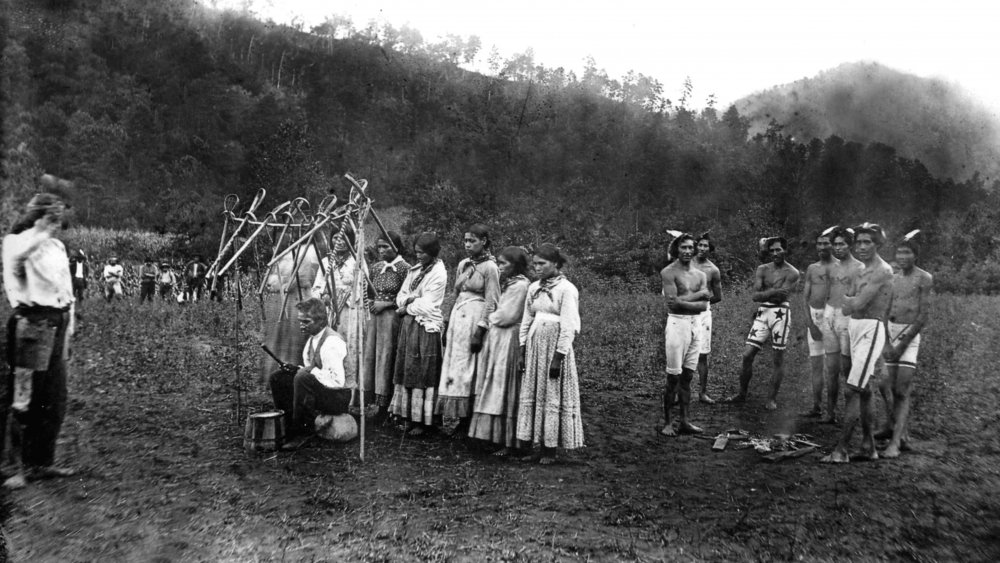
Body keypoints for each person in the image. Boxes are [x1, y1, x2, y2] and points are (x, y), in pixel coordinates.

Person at [1, 193, 77, 489]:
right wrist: (40, 230)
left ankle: (42, 462)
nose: (56, 223)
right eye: (51, 216)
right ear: (38, 215)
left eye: (58, 218)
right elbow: (18, 264)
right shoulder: (16, 241)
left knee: (55, 397)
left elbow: (65, 287)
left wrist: (68, 330)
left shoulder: (56, 245)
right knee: (24, 399)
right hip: (31, 323)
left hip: (57, 321)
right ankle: (15, 467)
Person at [821, 223, 894, 464]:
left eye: (867, 242)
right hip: (854, 326)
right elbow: (846, 303)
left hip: (871, 329)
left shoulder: (883, 270)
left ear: (878, 244)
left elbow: (857, 303)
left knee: (852, 389)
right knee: (864, 391)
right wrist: (852, 301)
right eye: (859, 242)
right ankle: (868, 446)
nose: (861, 247)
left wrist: (852, 300)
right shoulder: (862, 270)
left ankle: (841, 450)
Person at [516, 243, 583, 464]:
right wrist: (522, 349)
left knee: (552, 394)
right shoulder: (534, 287)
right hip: (535, 346)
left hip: (554, 348)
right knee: (532, 391)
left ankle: (549, 449)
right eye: (534, 264)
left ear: (555, 264)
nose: (537, 268)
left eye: (542, 264)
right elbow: (527, 319)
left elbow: (569, 326)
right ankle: (529, 445)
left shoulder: (566, 289)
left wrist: (558, 357)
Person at [437, 225, 501, 436]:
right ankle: (458, 416)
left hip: (475, 320)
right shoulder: (464, 264)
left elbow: (492, 301)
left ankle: (469, 421)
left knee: (470, 368)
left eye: (472, 241)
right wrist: (446, 323)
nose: (467, 245)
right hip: (458, 320)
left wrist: (480, 330)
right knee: (455, 367)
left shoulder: (490, 268)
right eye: (465, 241)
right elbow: (454, 293)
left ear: (484, 241)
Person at [268, 298, 353, 450]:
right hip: (323, 390)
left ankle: (303, 433)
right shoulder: (313, 339)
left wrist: (306, 371)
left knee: (302, 376)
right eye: (300, 321)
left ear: (321, 321)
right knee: (278, 377)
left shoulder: (332, 342)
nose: (301, 325)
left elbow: (337, 382)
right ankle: (286, 425)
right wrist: (296, 369)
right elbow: (311, 370)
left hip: (338, 397)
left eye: (306, 322)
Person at [469, 246, 530, 455]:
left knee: (504, 385)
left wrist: (490, 318)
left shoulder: (521, 286)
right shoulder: (510, 283)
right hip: (497, 337)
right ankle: (492, 437)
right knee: (493, 383)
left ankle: (509, 440)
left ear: (516, 265)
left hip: (508, 337)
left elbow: (507, 315)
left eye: (504, 264)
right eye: (500, 263)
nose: (500, 267)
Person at [726, 236, 800, 410]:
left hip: (781, 313)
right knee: (747, 355)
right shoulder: (762, 269)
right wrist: (773, 291)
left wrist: (766, 293)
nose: (775, 253)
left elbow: (782, 296)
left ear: (785, 250)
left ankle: (772, 398)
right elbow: (755, 295)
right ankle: (742, 393)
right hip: (763, 312)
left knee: (778, 357)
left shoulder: (792, 272)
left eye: (778, 250)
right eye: (772, 250)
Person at [875, 235, 932, 458]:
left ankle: (896, 442)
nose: (903, 257)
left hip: (909, 336)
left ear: (916, 255)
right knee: (883, 384)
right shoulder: (893, 278)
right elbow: (885, 310)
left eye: (907, 253)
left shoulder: (924, 278)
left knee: (901, 390)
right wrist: (888, 341)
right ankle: (894, 427)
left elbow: (922, 316)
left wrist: (901, 345)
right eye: (899, 253)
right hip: (890, 332)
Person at [389, 233, 448, 437]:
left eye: (422, 253)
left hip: (426, 326)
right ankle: (408, 416)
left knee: (425, 370)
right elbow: (400, 297)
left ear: (432, 252)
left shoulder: (439, 272)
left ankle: (425, 420)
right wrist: (410, 301)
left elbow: (428, 304)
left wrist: (407, 307)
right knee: (408, 367)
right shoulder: (415, 270)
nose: (419, 256)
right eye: (416, 253)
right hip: (410, 325)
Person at [660, 234, 709, 436]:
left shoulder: (700, 275)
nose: (688, 251)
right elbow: (673, 303)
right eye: (684, 247)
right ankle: (668, 422)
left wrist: (687, 300)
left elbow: (704, 305)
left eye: (691, 247)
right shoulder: (669, 272)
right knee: (674, 376)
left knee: (688, 376)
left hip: (695, 324)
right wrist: (697, 295)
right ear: (676, 249)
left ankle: (685, 421)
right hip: (677, 324)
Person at [362, 231, 410, 424]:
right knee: (372, 357)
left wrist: (387, 304)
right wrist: (372, 303)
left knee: (387, 358)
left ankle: (388, 407)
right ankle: (375, 404)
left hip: (392, 318)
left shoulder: (405, 268)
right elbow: (368, 291)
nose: (381, 250)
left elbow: (406, 296)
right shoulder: (376, 268)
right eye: (379, 246)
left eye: (386, 247)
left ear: (396, 247)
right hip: (375, 319)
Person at [261, 240, 320, 382]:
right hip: (280, 300)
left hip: (295, 299)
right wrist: (276, 282)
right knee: (277, 334)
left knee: (294, 335)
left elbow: (299, 279)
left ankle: (293, 372)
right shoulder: (281, 256)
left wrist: (281, 283)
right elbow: (270, 279)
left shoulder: (304, 253)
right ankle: (275, 372)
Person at [313, 228, 360, 398]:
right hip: (329, 310)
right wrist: (324, 295)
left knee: (348, 348)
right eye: (335, 238)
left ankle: (349, 395)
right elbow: (318, 286)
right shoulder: (326, 262)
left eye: (343, 238)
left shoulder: (357, 261)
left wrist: (346, 296)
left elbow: (363, 286)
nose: (339, 241)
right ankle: (327, 391)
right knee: (329, 347)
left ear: (351, 240)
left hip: (349, 311)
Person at [825, 227, 864, 423]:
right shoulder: (832, 266)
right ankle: (830, 413)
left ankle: (851, 413)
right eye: (835, 244)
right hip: (829, 314)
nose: (838, 248)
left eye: (842, 244)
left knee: (847, 366)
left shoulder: (859, 268)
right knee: (831, 368)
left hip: (846, 317)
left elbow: (859, 296)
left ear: (850, 245)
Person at [802, 227, 840, 419]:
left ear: (833, 245)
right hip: (815, 317)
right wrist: (810, 324)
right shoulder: (812, 268)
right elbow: (806, 297)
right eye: (819, 243)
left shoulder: (840, 267)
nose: (822, 247)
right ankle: (816, 406)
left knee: (833, 367)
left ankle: (831, 411)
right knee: (816, 364)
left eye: (826, 243)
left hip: (833, 318)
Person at [692, 233, 722, 403]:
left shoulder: (713, 270)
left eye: (706, 246)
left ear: (710, 249)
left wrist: (703, 302)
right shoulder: (686, 263)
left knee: (702, 355)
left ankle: (702, 393)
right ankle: (677, 392)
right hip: (685, 311)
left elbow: (718, 296)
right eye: (700, 245)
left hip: (703, 314)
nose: (702, 248)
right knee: (682, 353)